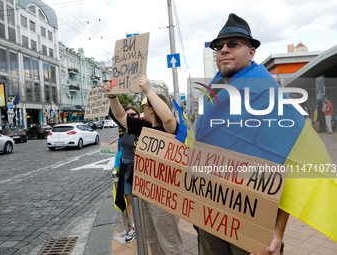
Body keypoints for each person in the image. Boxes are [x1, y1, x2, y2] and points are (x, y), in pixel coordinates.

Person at [195, 13, 290, 255]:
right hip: (210, 216)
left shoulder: (270, 96)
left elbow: (292, 165)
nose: (224, 49)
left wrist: (277, 231)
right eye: (219, 46)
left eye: (233, 44)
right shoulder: (211, 96)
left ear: (251, 52)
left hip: (254, 216)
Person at [103, 75, 184, 255]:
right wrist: (112, 96)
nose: (142, 110)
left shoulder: (169, 129)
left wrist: (148, 90)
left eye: (144, 106)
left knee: (169, 242)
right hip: (144, 191)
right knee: (153, 239)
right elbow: (120, 116)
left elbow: (169, 119)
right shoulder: (142, 126)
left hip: (164, 194)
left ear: (153, 109)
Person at [110, 105, 140, 243]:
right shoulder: (124, 129)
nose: (130, 117)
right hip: (126, 168)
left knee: (142, 201)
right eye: (127, 115)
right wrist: (110, 96)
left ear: (138, 115)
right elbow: (113, 113)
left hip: (141, 169)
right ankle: (135, 228)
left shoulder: (144, 128)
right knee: (129, 199)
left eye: (133, 114)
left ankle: (145, 228)